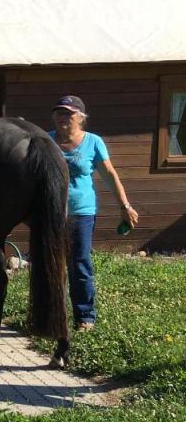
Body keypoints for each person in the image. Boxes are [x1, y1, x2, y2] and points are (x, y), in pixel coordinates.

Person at [50, 95, 138, 330]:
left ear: (81, 117)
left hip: (81, 213)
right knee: (51, 264)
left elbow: (109, 175)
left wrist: (125, 206)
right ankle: (53, 314)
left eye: (68, 113)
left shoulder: (93, 142)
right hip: (51, 213)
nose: (62, 117)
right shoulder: (46, 141)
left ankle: (85, 316)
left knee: (79, 263)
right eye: (58, 112)